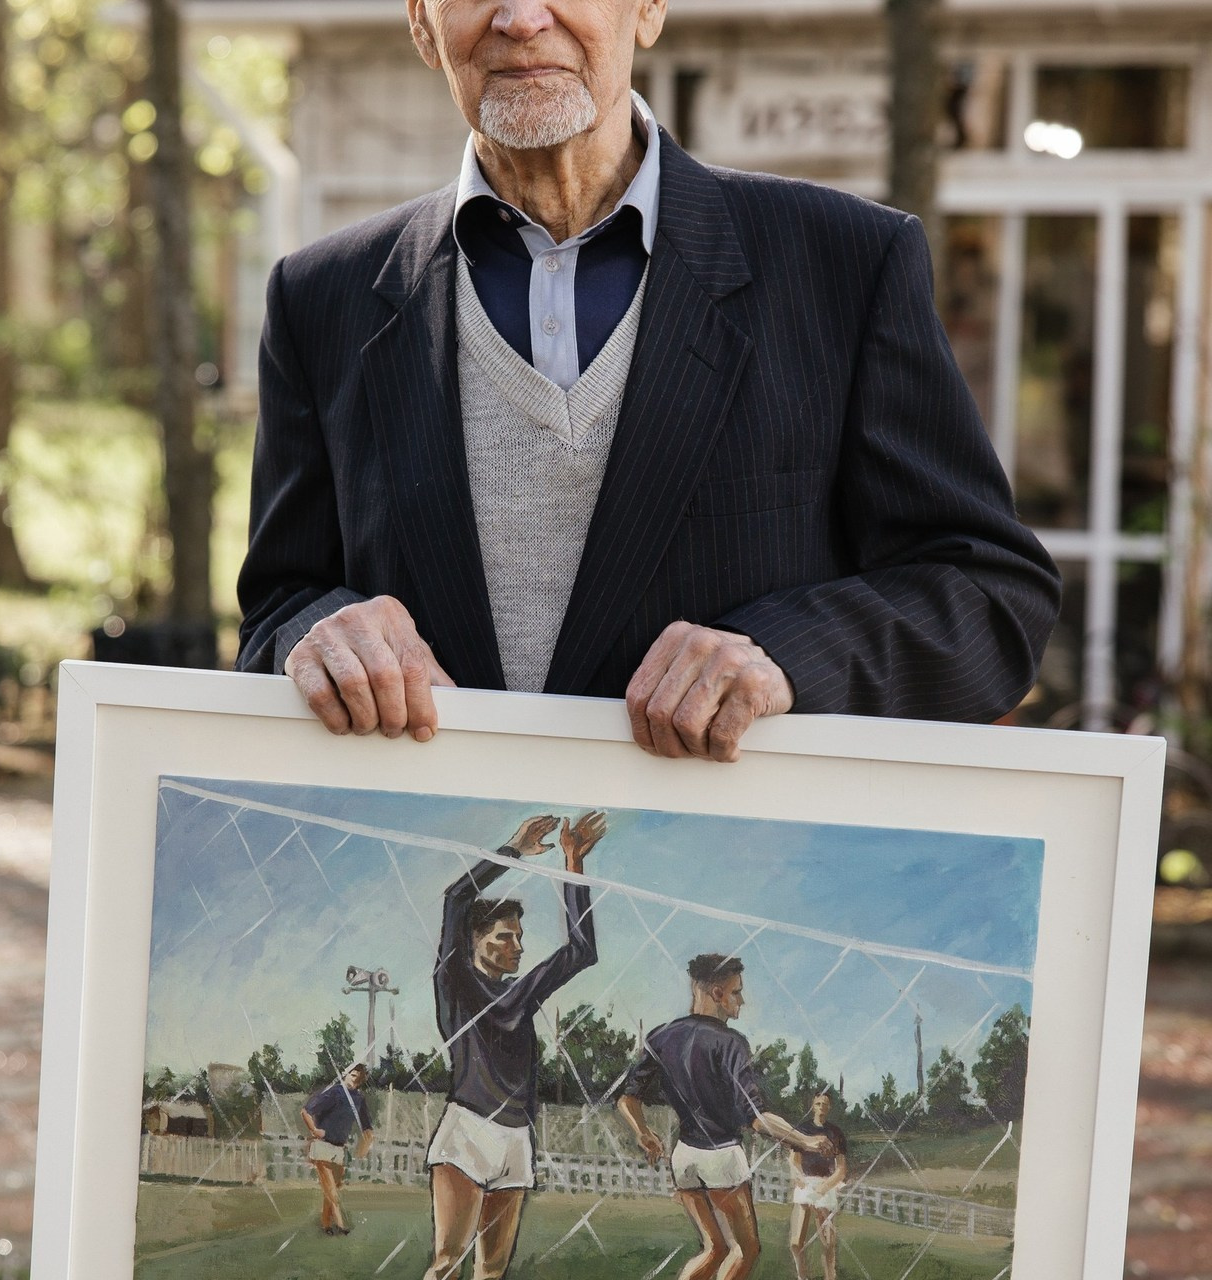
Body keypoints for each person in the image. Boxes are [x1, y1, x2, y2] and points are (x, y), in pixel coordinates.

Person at [235, 0, 1060, 762]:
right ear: (421, 22)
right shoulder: (321, 299)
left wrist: (786, 654)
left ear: (650, 7)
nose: (523, 19)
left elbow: (992, 599)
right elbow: (277, 606)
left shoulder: (844, 265)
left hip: (729, 896)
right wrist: (316, 633)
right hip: (448, 899)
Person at [424, 810, 604, 1279]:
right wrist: (513, 850)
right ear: (473, 941)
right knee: (447, 1264)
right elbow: (457, 896)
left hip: (516, 1137)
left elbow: (582, 950)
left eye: (520, 937)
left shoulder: (521, 995)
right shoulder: (456, 982)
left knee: (494, 1271)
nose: (518, 948)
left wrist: (573, 864)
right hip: (467, 1131)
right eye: (506, 937)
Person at [617, 954, 830, 1280]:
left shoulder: (662, 1036)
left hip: (683, 1157)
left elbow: (627, 1098)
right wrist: (804, 1141)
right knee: (746, 1250)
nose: (741, 1001)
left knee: (714, 1248)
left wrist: (642, 1132)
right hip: (722, 1156)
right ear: (716, 993)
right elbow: (757, 1118)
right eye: (736, 992)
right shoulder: (731, 1043)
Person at [300, 1060, 375, 1237]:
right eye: (352, 1075)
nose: (355, 1079)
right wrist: (314, 1130)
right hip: (323, 1145)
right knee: (331, 1189)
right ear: (345, 1074)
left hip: (339, 1148)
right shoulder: (334, 1093)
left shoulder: (359, 1099)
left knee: (333, 1188)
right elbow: (306, 1111)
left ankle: (326, 1224)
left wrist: (367, 1142)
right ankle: (341, 1225)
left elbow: (367, 1126)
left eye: (359, 1077)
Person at [788, 1091, 847, 1280]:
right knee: (796, 1242)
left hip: (826, 1184)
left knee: (828, 1243)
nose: (821, 1107)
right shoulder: (802, 1130)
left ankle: (830, 1277)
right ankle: (802, 1277)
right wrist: (801, 1181)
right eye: (818, 1103)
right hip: (806, 1183)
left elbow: (841, 1169)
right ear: (813, 1106)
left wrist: (823, 1189)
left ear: (829, 1108)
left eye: (825, 1104)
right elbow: (793, 1162)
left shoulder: (835, 1133)